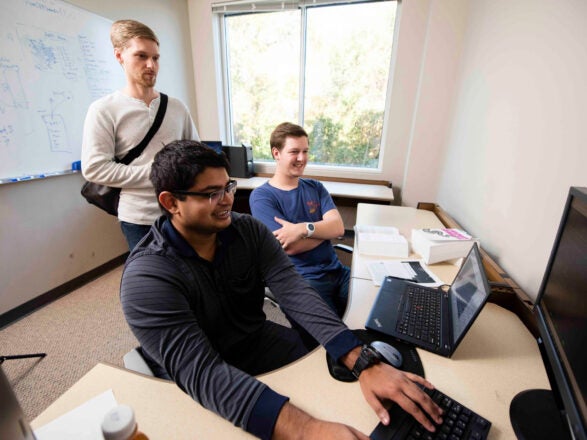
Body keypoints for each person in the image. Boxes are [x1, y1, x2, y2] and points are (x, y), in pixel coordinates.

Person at [120, 140, 443, 440]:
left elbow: (295, 292)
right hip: (200, 370)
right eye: (211, 193)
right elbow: (201, 370)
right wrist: (307, 429)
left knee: (337, 383)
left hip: (256, 341)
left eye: (228, 187)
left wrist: (363, 360)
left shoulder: (247, 231)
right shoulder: (147, 277)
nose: (228, 200)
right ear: (171, 201)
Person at [81, 19, 199, 250]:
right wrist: (156, 174)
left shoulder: (177, 107)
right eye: (141, 56)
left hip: (183, 212)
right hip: (139, 218)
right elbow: (94, 167)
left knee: (193, 276)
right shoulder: (104, 109)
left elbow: (195, 154)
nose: (151, 65)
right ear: (119, 56)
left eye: (155, 58)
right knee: (152, 281)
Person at [249, 122, 349, 317]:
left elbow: (338, 228)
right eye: (294, 151)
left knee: (372, 311)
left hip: (337, 270)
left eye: (305, 151)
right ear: (276, 153)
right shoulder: (262, 197)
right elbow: (289, 246)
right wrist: (324, 230)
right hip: (301, 279)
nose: (302, 158)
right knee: (335, 335)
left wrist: (302, 229)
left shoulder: (315, 187)